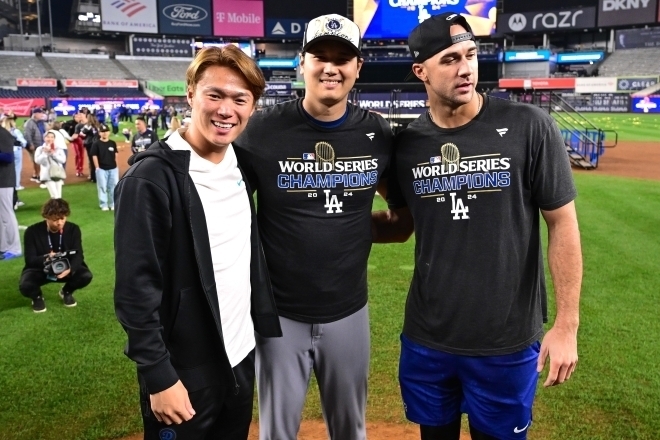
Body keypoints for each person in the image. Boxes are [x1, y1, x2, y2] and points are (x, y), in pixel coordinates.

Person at [372, 13, 582, 440]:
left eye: (470, 54)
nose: (465, 67)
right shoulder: (407, 145)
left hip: (505, 341)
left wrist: (566, 325)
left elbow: (562, 224)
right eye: (449, 59)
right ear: (421, 71)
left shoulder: (530, 127)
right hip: (428, 338)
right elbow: (402, 225)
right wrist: (323, 224)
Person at [232, 14, 393, 440]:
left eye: (343, 58)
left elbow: (402, 216)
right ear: (301, 62)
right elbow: (224, 205)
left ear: (358, 68)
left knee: (349, 429)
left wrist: (353, 228)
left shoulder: (375, 132)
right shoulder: (261, 131)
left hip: (349, 311)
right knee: (277, 431)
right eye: (320, 55)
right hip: (278, 315)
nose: (330, 67)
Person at [114, 45, 282, 440]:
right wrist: (157, 376)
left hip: (240, 359)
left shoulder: (241, 164)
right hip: (184, 371)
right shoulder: (150, 179)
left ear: (253, 107)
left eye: (240, 99)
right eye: (215, 95)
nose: (227, 110)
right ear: (191, 94)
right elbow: (135, 290)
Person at [19, 198, 92, 312]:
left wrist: (70, 269)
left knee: (85, 276)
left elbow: (79, 255)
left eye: (62, 218)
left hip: (65, 268)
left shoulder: (73, 229)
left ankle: (66, 291)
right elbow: (30, 260)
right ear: (46, 217)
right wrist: (46, 258)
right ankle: (37, 297)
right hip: (42, 268)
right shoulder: (32, 231)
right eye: (55, 219)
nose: (60, 223)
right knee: (25, 285)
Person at [0, 122, 22, 260]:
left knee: (6, 214)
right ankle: (3, 247)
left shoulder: (3, 133)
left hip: (4, 180)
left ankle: (14, 248)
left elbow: (8, 157)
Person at [90, 124, 118, 211]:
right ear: (99, 133)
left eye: (106, 131)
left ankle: (113, 203)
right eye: (102, 132)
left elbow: (115, 155)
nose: (105, 133)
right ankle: (104, 204)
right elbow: (94, 156)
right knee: (102, 187)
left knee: (113, 187)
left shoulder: (112, 143)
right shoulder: (96, 144)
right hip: (101, 169)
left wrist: (116, 165)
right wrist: (97, 168)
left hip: (113, 168)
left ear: (109, 132)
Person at [35, 131, 66, 199]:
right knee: (55, 196)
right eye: (48, 137)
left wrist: (53, 154)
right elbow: (37, 161)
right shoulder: (40, 149)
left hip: (57, 173)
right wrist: (45, 153)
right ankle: (55, 208)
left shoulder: (58, 148)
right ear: (44, 138)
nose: (50, 139)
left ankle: (55, 208)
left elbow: (63, 160)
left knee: (59, 196)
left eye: (52, 137)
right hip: (47, 174)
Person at [1, 118, 27, 191]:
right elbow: (23, 142)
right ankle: (17, 185)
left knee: (7, 169)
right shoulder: (15, 131)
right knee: (17, 168)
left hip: (5, 152)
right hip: (16, 151)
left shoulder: (3, 132)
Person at [23, 108, 46, 182]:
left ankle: (35, 175)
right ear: (35, 114)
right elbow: (27, 135)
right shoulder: (29, 123)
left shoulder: (41, 122)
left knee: (38, 160)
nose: (42, 115)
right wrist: (30, 144)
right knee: (36, 161)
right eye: (40, 113)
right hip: (34, 145)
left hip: (41, 144)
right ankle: (39, 175)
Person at [80, 114, 100, 183]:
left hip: (89, 144)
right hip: (98, 144)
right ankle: (97, 177)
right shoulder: (98, 125)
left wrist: (86, 136)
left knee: (91, 161)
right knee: (98, 160)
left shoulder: (87, 126)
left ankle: (93, 177)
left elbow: (81, 134)